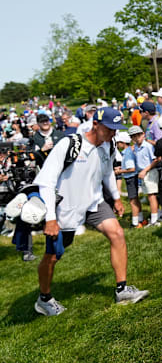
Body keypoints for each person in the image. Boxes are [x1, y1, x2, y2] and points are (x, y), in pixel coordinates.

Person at [32, 107, 148, 316]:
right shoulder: (69, 145)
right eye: (109, 129)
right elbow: (46, 183)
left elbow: (107, 173)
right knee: (53, 255)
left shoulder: (109, 145)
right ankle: (44, 299)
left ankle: (122, 290)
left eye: (116, 130)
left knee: (118, 234)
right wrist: (50, 218)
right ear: (95, 125)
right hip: (65, 209)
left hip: (94, 203)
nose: (113, 134)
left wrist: (115, 197)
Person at [129, 125, 161, 226]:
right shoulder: (137, 147)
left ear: (143, 134)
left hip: (149, 172)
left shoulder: (147, 146)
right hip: (143, 173)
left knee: (152, 196)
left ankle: (154, 219)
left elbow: (156, 159)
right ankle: (154, 217)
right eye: (133, 136)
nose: (136, 138)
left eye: (138, 135)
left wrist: (145, 171)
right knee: (149, 195)